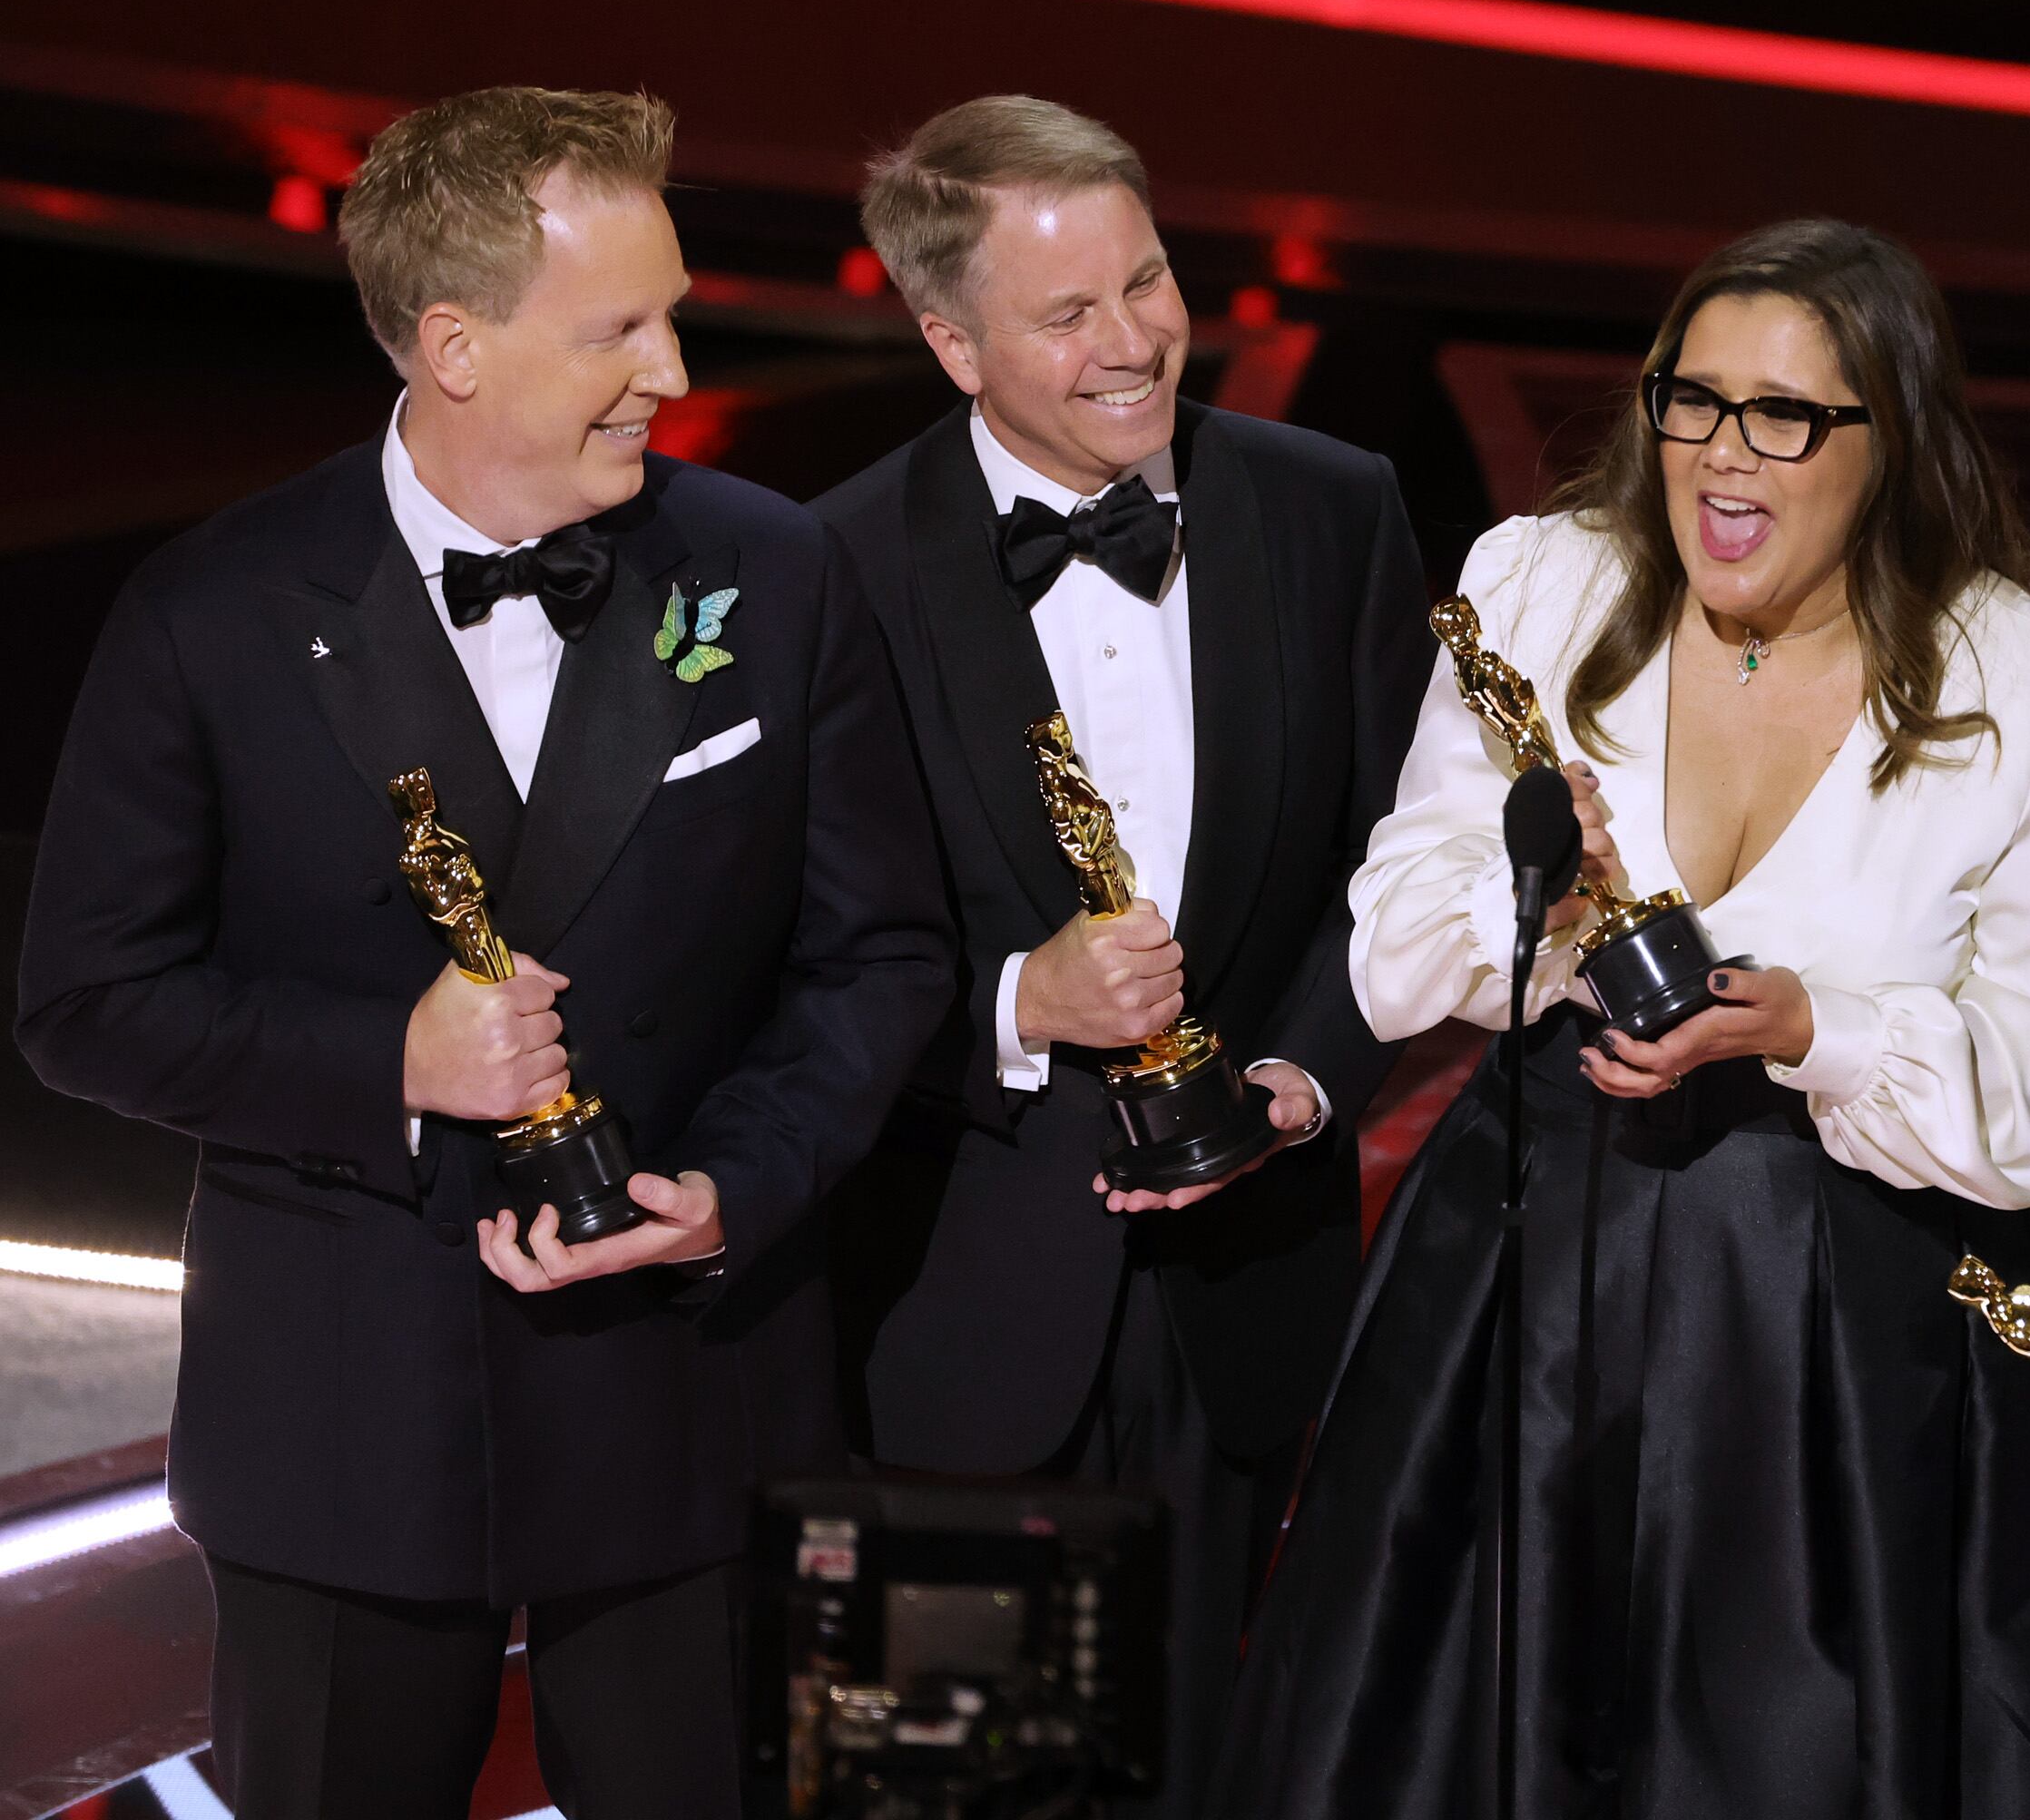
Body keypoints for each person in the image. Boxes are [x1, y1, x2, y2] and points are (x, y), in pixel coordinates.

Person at [13, 87, 954, 1815]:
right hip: (347, 1429)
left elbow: (882, 955)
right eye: (621, 327)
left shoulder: (777, 573)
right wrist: (395, 1063)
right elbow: (87, 1006)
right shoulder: (212, 611)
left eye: (670, 311)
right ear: (454, 344)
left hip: (690, 1401)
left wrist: (734, 1184)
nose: (672, 368)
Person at [1217, 218, 2030, 1818]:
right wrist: (1533, 901)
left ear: (1890, 441)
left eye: (1786, 416)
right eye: (1693, 401)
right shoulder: (1543, 591)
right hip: (1533, 1294)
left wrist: (1817, 1026)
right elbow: (1398, 949)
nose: (1722, 459)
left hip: (1848, 1341)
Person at [811, 95, 1430, 1816]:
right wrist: (1018, 1003)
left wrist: (1309, 1075)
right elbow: (798, 943)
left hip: (1254, 1291)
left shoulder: (1330, 506)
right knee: (962, 1784)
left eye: (1145, 281)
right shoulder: (826, 568)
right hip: (956, 1298)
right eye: (1067, 313)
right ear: (952, 342)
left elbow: (1401, 858)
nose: (1133, 339)